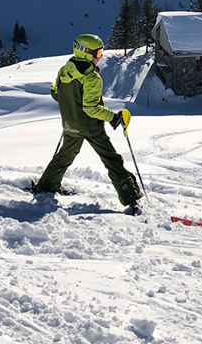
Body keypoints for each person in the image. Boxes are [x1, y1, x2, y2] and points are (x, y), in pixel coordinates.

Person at [34, 34, 143, 215]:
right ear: (85, 53)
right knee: (111, 159)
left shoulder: (64, 70)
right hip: (91, 127)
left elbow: (56, 93)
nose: (99, 56)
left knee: (64, 156)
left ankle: (45, 186)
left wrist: (64, 96)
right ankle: (131, 197)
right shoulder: (92, 78)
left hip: (70, 124)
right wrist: (114, 118)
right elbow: (91, 108)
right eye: (97, 52)